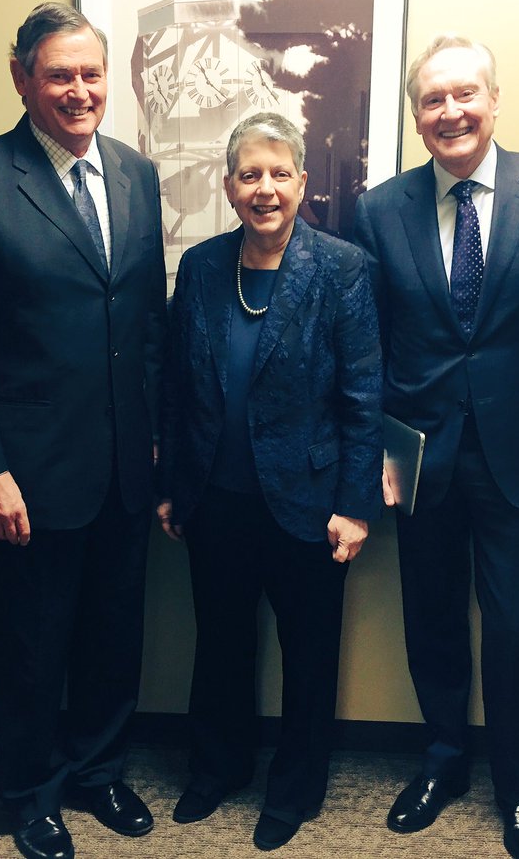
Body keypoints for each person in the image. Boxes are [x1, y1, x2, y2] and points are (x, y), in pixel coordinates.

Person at [0, 2, 166, 859]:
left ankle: (98, 772)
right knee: (30, 646)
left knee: (112, 634)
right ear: (22, 77)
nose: (78, 90)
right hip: (25, 474)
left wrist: (158, 438)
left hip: (126, 465)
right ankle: (30, 792)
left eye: (91, 73)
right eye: (58, 74)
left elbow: (147, 325)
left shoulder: (138, 174)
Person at [353, 34, 519, 859]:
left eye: (466, 95)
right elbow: (373, 349)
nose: (452, 112)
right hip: (420, 459)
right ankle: (443, 760)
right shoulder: (380, 208)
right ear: (417, 117)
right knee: (430, 620)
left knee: (514, 629)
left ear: (494, 101)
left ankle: (516, 786)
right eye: (433, 100)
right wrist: (381, 460)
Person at [157, 112, 382, 851]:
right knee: (220, 642)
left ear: (303, 184)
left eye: (279, 174)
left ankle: (294, 789)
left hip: (310, 506)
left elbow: (362, 397)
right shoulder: (199, 269)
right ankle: (216, 768)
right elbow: (174, 386)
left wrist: (354, 507)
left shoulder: (341, 268)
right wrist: (171, 482)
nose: (265, 189)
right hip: (215, 501)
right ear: (228, 186)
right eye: (250, 175)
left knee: (308, 654)